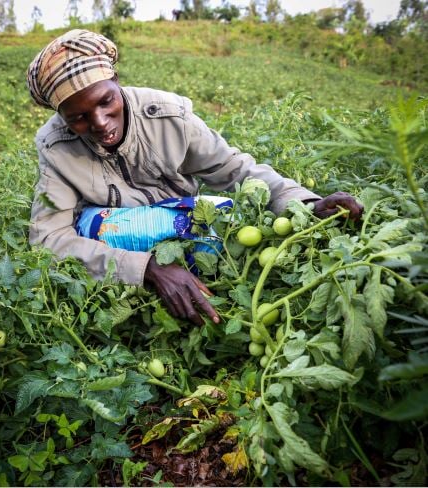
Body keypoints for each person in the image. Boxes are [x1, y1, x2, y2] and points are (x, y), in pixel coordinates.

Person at [26, 29, 363, 326]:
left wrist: (305, 204)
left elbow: (236, 170)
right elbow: (48, 238)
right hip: (113, 233)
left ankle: (190, 269)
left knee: (229, 221)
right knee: (98, 230)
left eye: (106, 101)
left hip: (179, 217)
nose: (99, 122)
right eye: (79, 117)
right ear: (62, 118)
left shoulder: (168, 116)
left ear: (117, 80)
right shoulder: (57, 146)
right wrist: (145, 269)